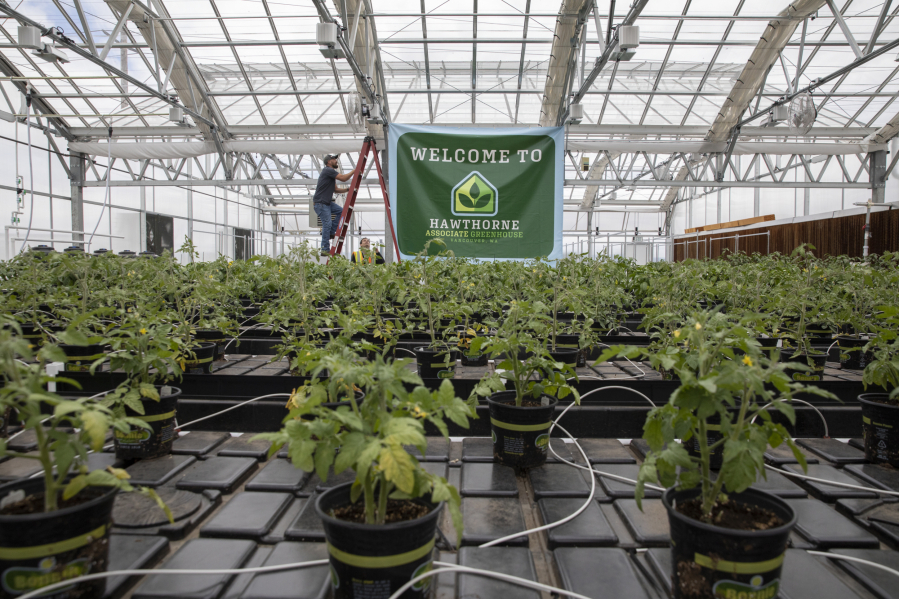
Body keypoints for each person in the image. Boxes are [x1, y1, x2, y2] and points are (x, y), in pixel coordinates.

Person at [313, 154, 354, 256]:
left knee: (341, 212)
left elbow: (335, 189)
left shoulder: (330, 173)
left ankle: (331, 232)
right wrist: (355, 170)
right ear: (328, 162)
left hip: (326, 203)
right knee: (327, 224)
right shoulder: (328, 170)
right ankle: (324, 249)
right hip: (321, 203)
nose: (336, 161)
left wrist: (347, 190)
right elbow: (344, 178)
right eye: (334, 159)